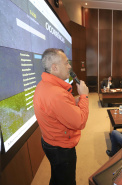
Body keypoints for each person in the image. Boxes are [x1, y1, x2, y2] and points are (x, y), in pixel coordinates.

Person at [33, 48, 89, 185]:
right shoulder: (56, 94)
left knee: (58, 177)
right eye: (66, 63)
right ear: (55, 67)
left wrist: (74, 102)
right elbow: (80, 121)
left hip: (49, 141)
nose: (69, 66)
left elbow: (57, 110)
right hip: (61, 148)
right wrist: (84, 96)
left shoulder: (44, 85)